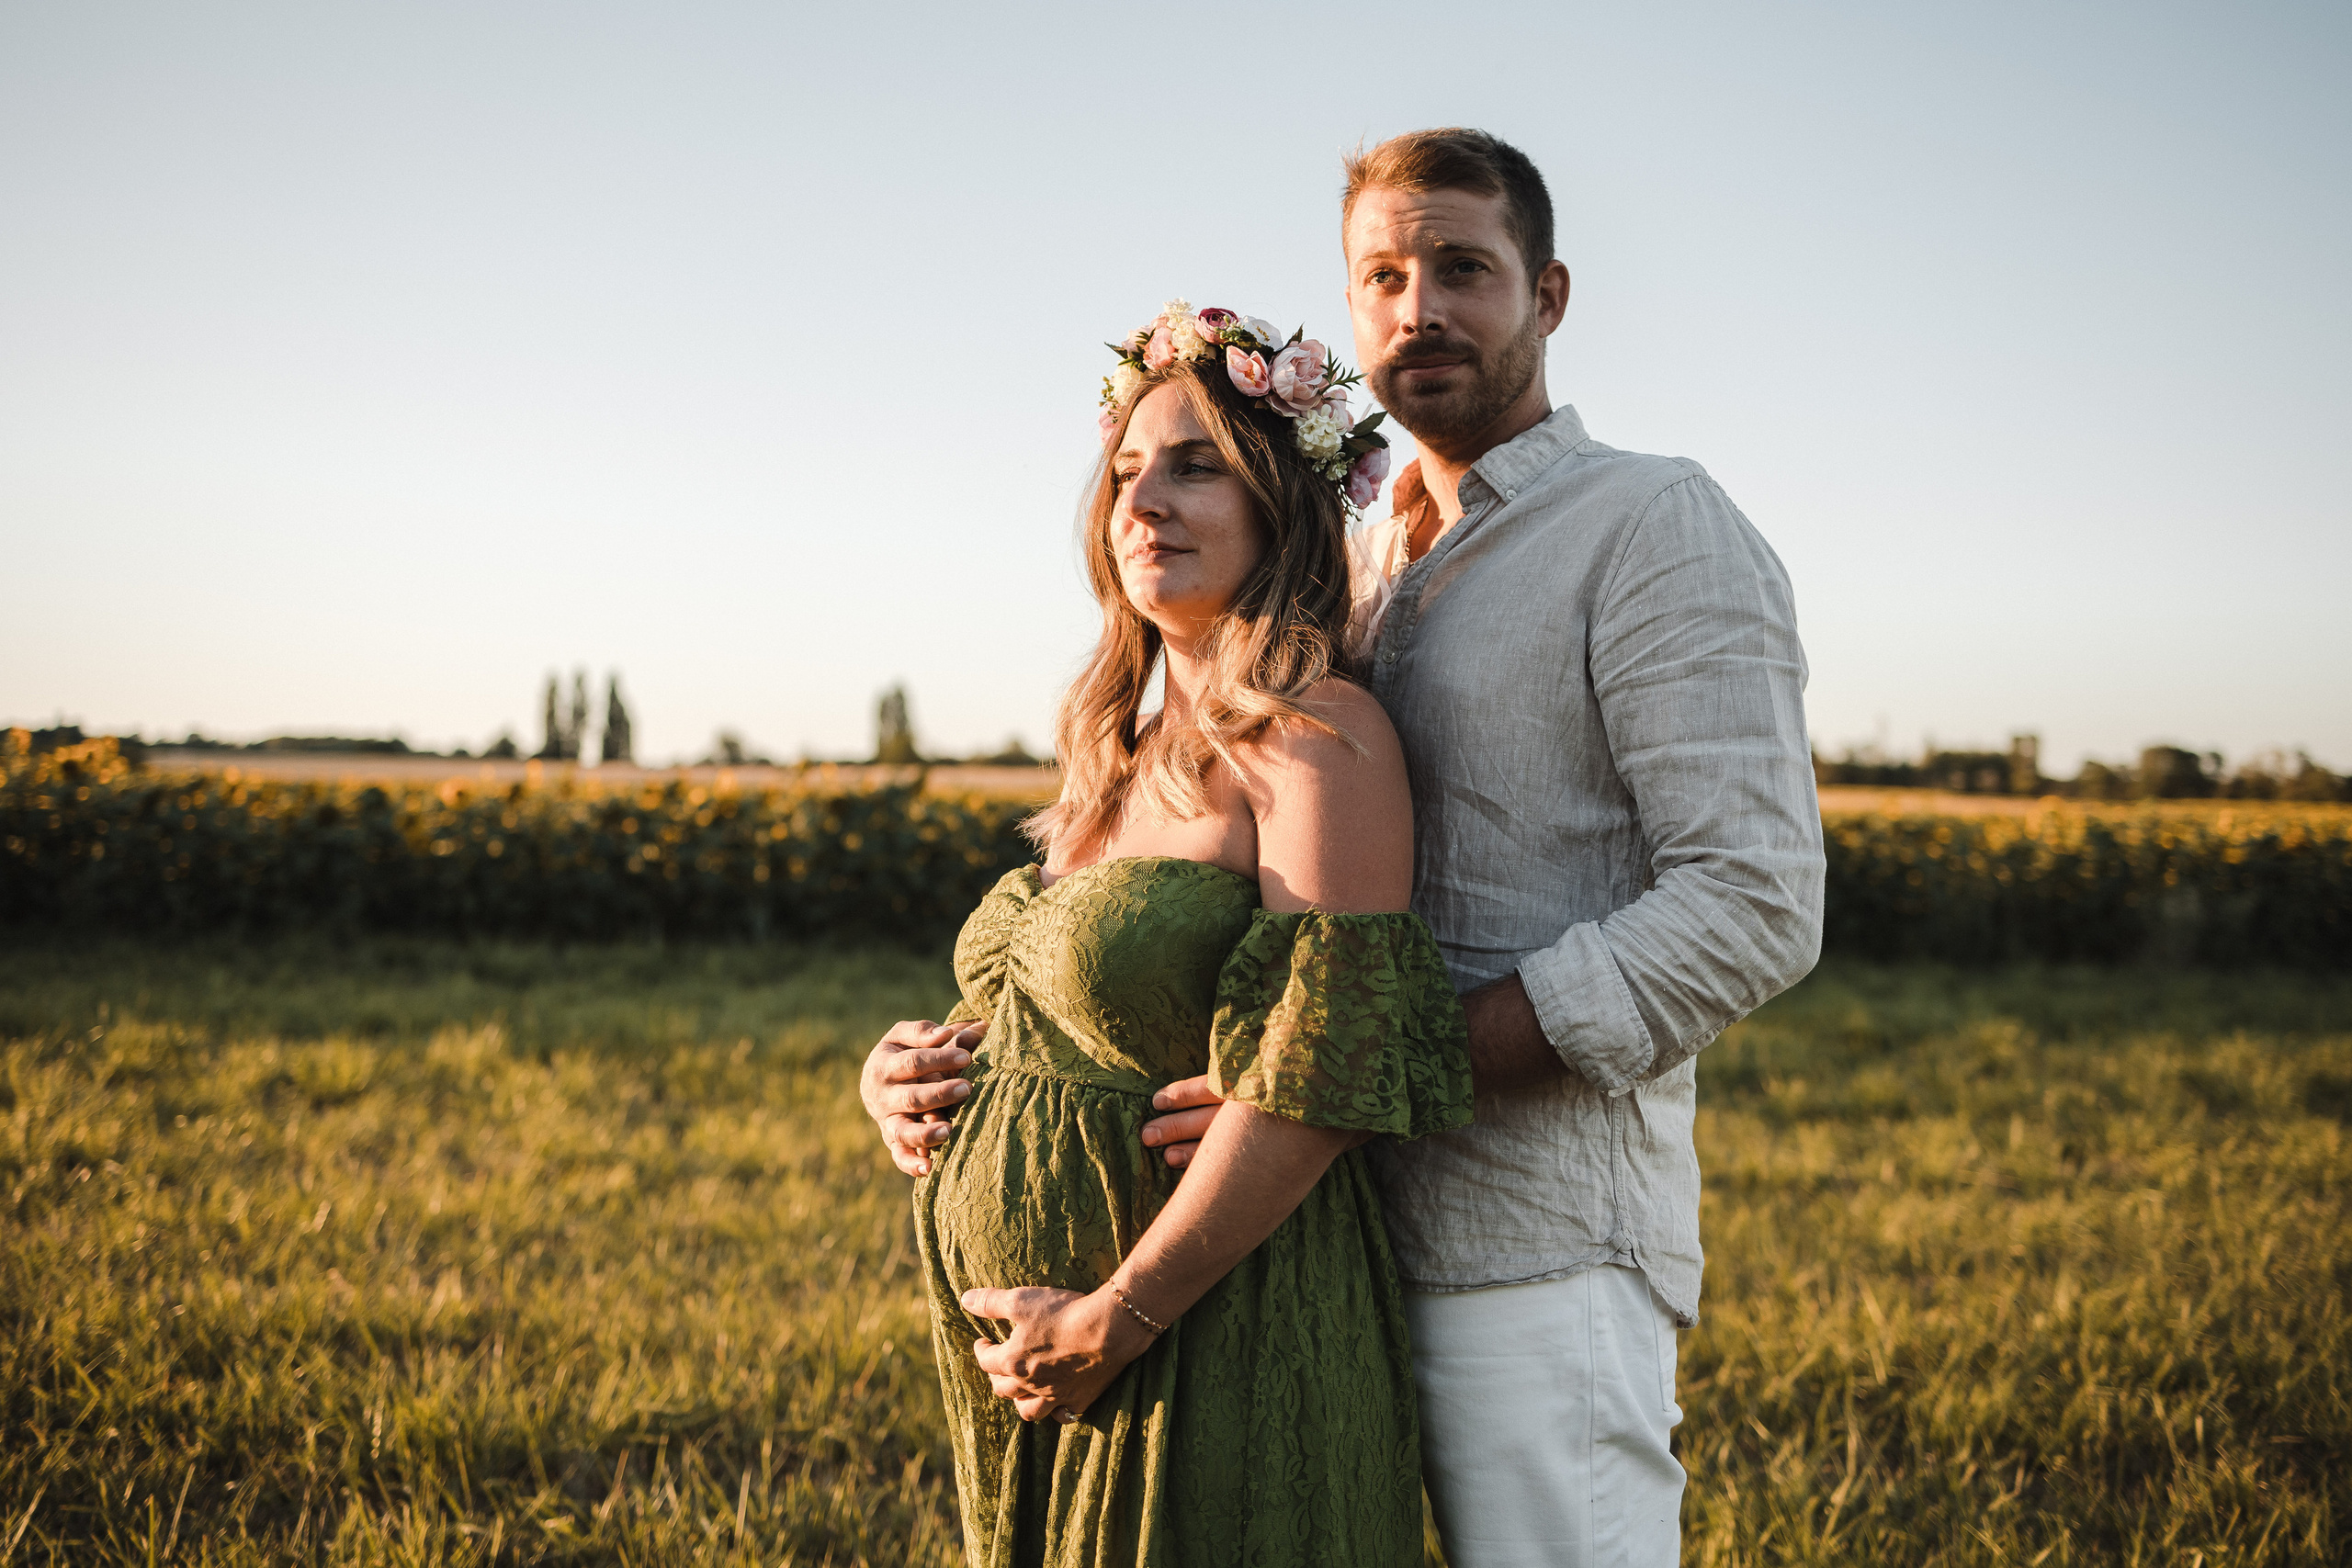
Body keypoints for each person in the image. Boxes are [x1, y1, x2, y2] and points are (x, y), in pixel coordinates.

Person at [870, 129, 1826, 1566]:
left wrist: (1371, 1065)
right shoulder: (1356, 573)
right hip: (1301, 1244)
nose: (1418, 307)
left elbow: (1753, 904)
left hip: (1528, 1240)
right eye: (1382, 276)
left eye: (1463, 269)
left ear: (1549, 295)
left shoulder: (1649, 526)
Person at [899, 299, 1476, 1566]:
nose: (1143, 501)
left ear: (1282, 503)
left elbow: (1324, 1073)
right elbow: (1061, 1016)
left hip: (1205, 1331)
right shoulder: (1113, 751)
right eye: (1124, 473)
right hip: (1041, 1364)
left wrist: (1118, 1315)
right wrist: (912, 1078)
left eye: (1195, 466)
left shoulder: (1317, 737)